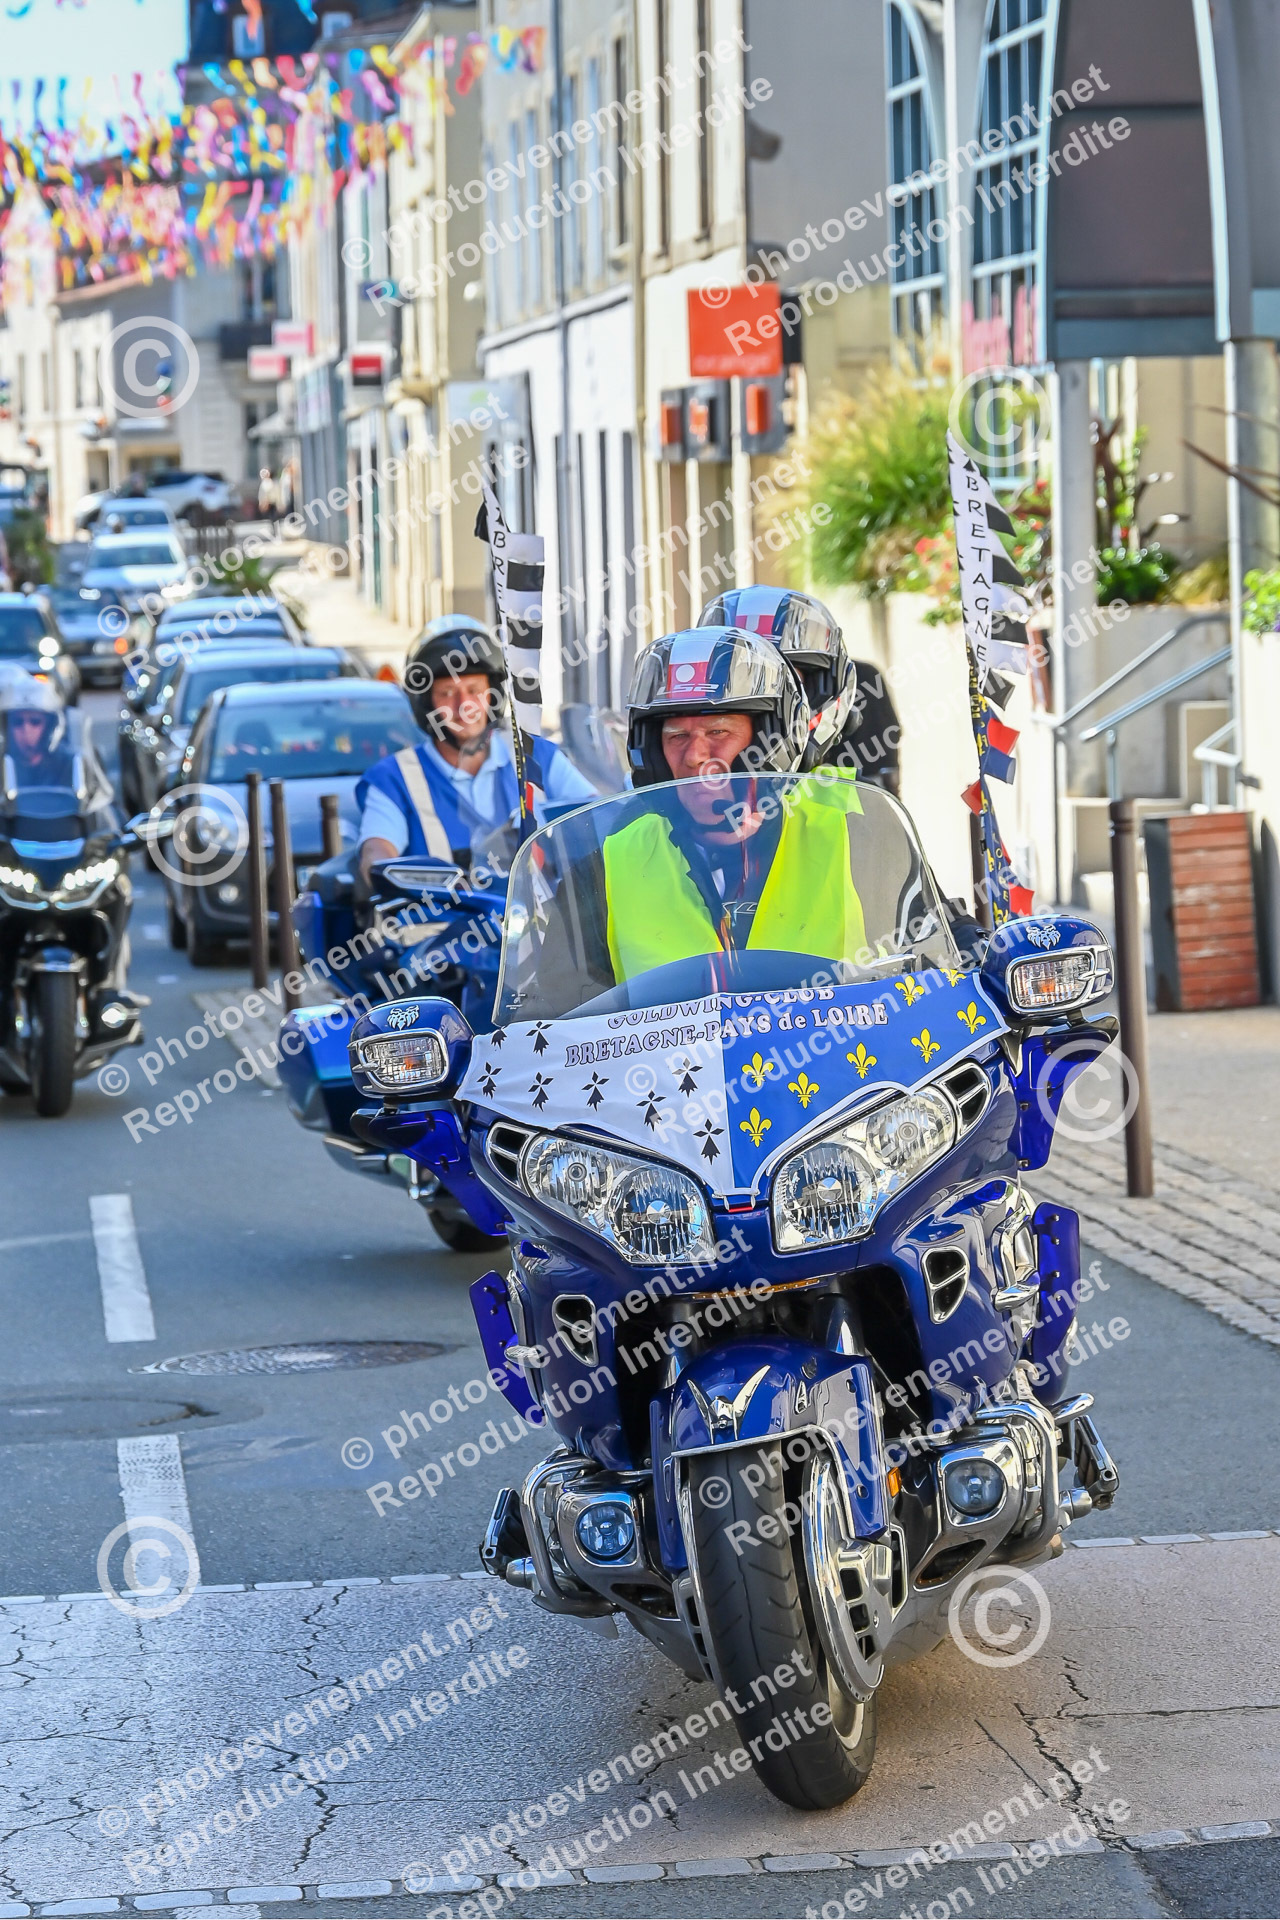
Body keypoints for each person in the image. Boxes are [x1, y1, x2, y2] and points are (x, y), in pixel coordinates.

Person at [601, 626, 868, 982]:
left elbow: (927, 955)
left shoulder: (855, 837)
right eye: (677, 736)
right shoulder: (612, 858)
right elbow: (558, 999)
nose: (694, 756)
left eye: (718, 732)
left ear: (769, 745)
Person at [356, 615, 597, 885]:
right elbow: (377, 850)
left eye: (474, 690)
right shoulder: (393, 779)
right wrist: (382, 871)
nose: (464, 705)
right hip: (438, 914)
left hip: (543, 913)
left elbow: (599, 819)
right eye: (448, 692)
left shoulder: (538, 756)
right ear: (426, 703)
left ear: (492, 695)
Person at [699, 586, 901, 793]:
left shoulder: (863, 685)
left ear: (818, 686)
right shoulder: (691, 761)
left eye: (783, 681)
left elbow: (881, 796)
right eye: (745, 681)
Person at [0, 674, 74, 789]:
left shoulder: (68, 764)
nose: (26, 731)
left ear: (50, 726)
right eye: (17, 722)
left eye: (35, 722)